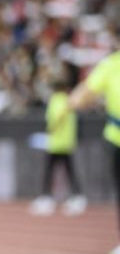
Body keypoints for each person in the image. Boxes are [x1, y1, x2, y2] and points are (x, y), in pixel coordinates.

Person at [66, 48, 120, 254]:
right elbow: (83, 95)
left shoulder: (111, 64)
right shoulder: (111, 65)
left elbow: (80, 98)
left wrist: (75, 101)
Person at [29, 82, 86, 216]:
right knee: (69, 171)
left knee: (50, 172)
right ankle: (77, 196)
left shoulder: (56, 101)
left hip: (56, 143)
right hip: (66, 142)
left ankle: (46, 198)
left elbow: (57, 116)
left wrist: (51, 128)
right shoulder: (68, 100)